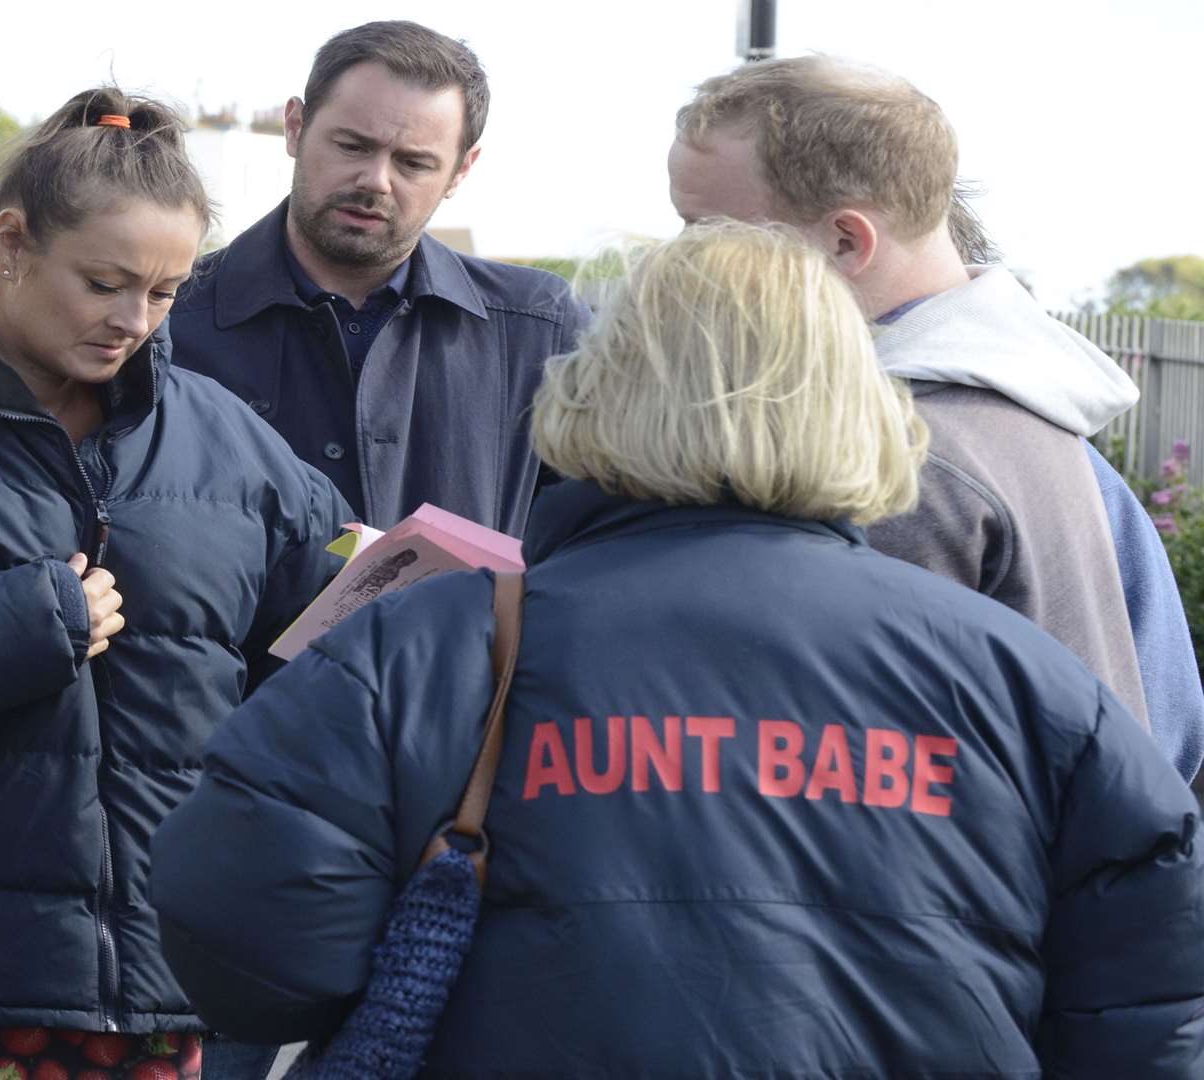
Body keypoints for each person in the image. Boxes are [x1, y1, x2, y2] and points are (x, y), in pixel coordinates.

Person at [149, 222, 1204, 1076]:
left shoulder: (421, 644)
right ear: (859, 403)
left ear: (599, 386)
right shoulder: (1019, 680)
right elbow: (1152, 999)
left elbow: (248, 951)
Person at [0, 88, 349, 1080]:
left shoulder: (235, 445)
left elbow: (305, 683)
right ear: (12, 242)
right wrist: (0, 632)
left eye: (168, 292)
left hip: (158, 991)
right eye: (106, 282)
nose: (134, 320)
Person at [667, 54, 1204, 781]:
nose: (682, 261)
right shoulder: (1042, 417)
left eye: (708, 230)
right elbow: (1168, 730)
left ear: (846, 240)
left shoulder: (896, 456)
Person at [169, 20, 587, 537]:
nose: (375, 180)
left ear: (461, 170)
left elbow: (591, 546)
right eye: (351, 146)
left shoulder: (541, 331)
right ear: (295, 127)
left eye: (413, 163)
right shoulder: (163, 322)